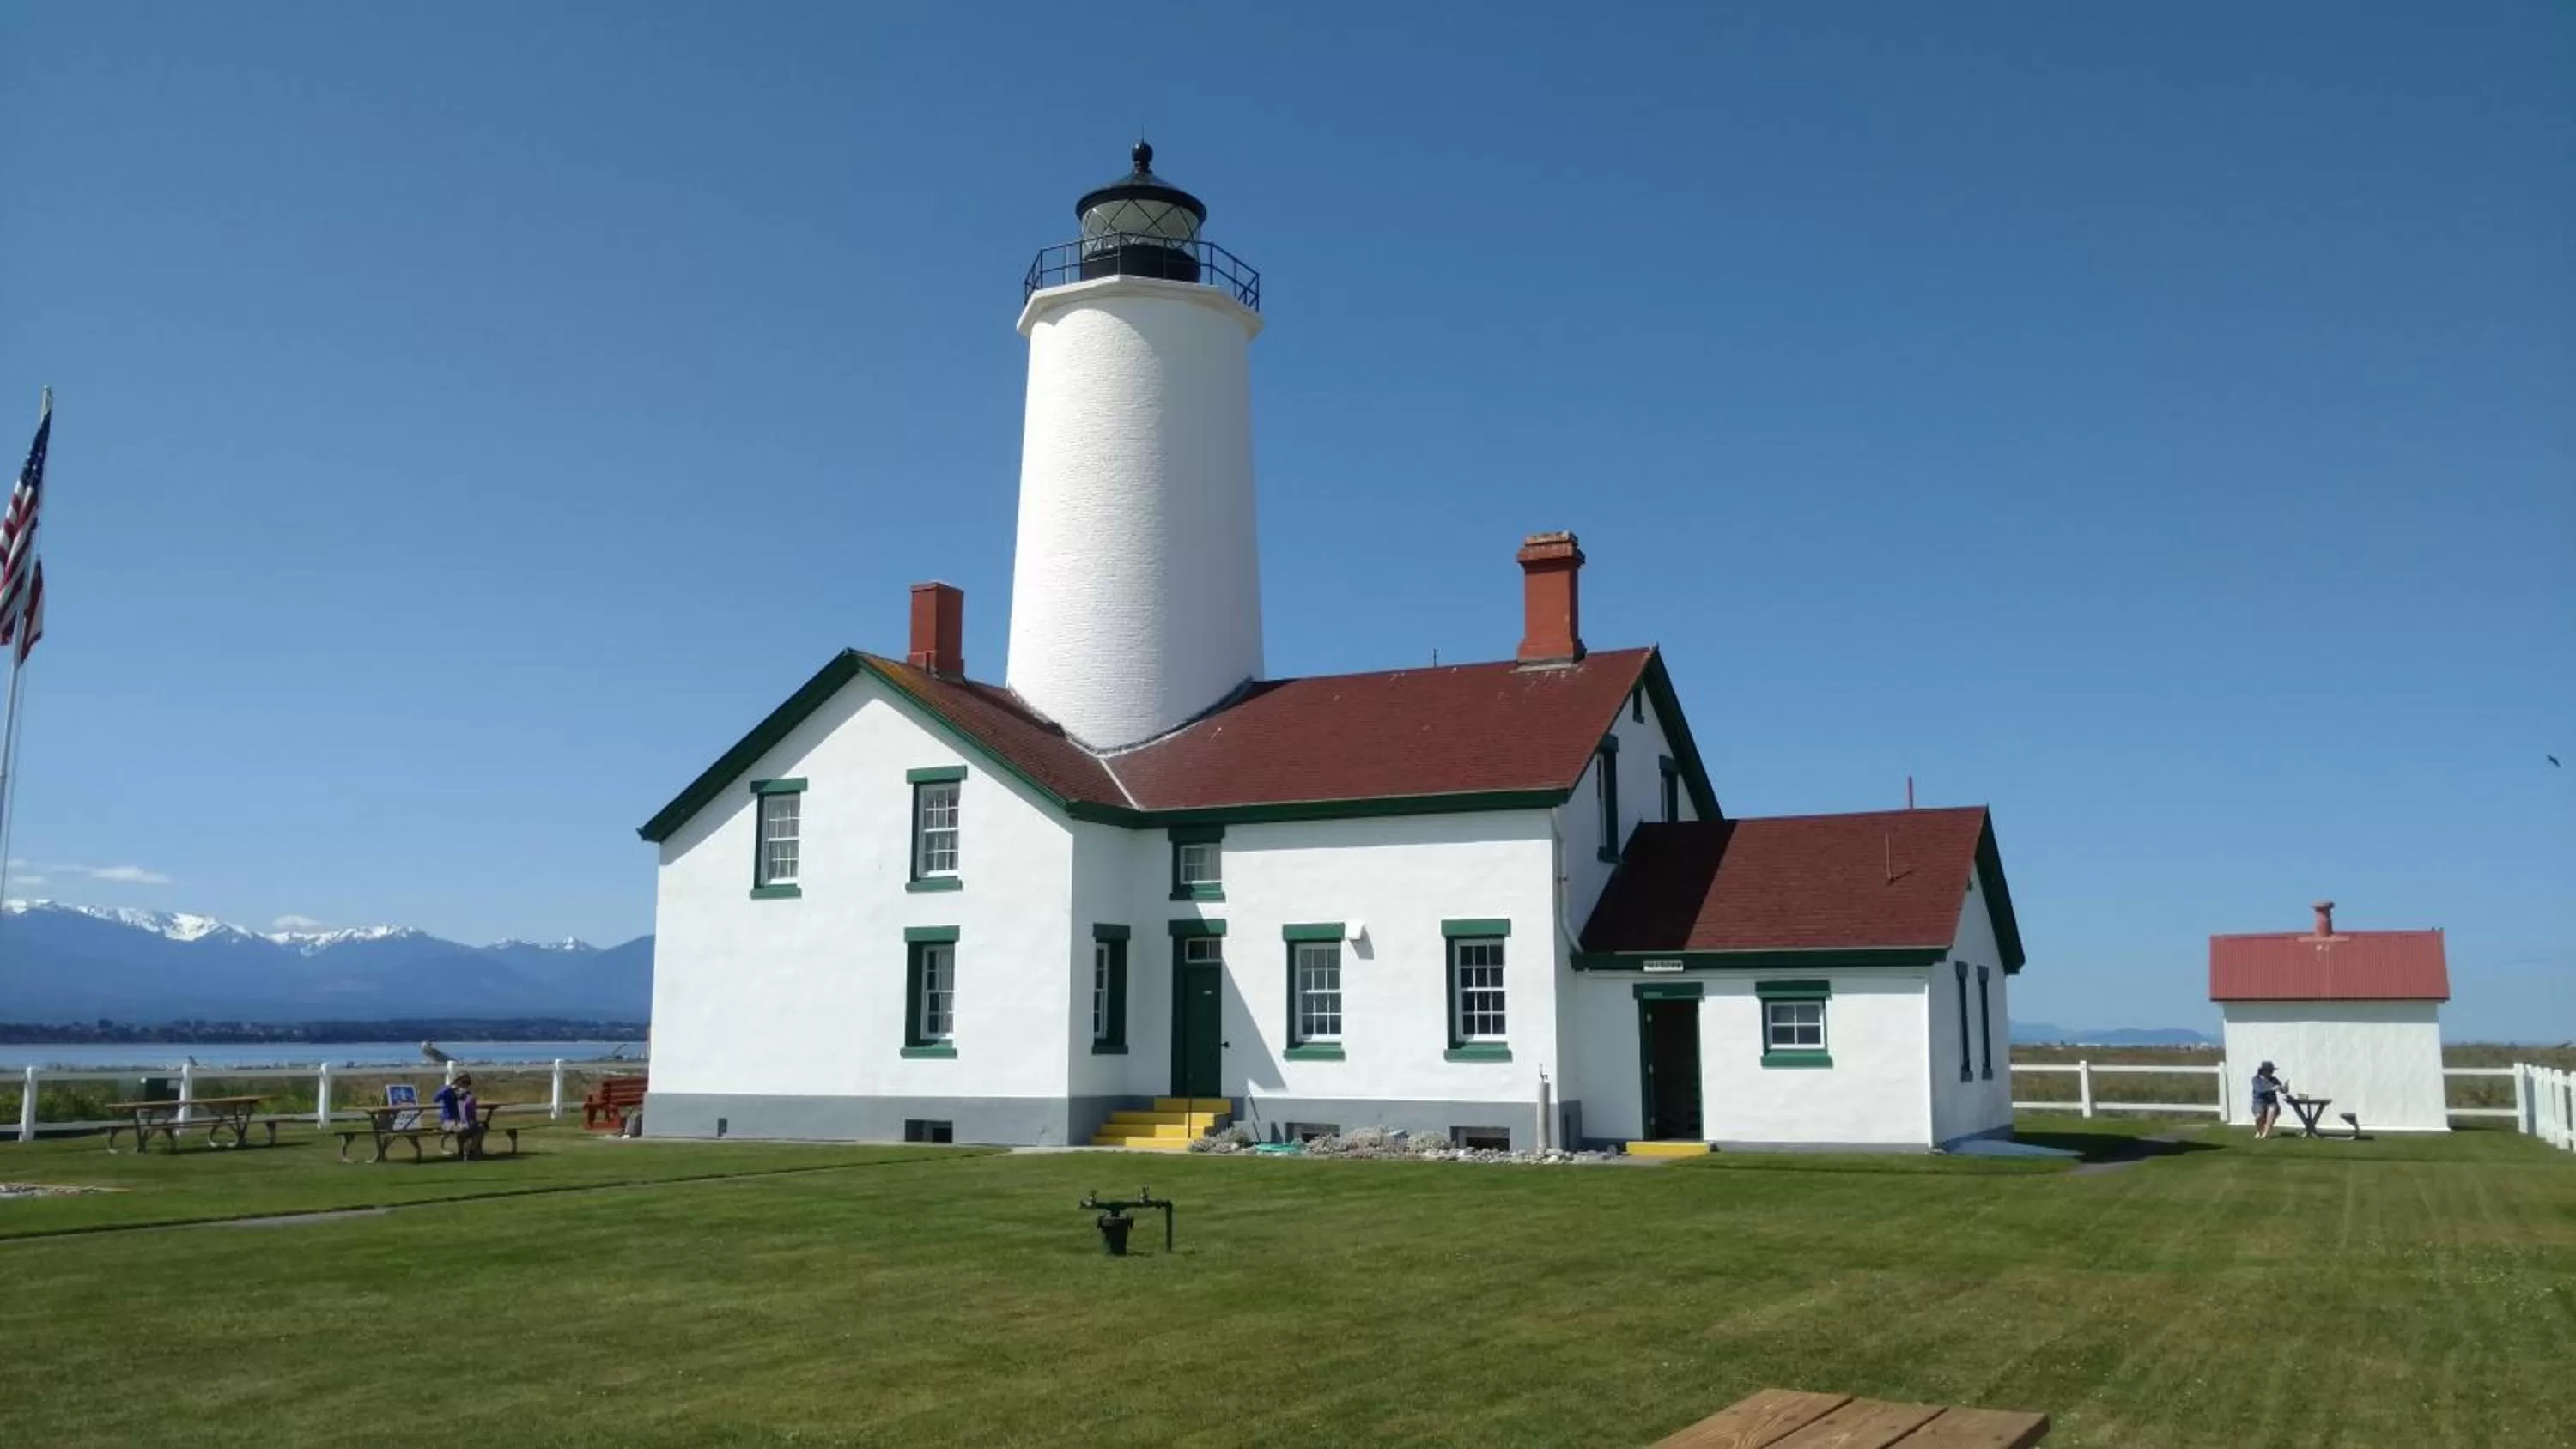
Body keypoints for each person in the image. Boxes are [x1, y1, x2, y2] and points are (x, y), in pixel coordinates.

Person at [434, 1073, 484, 1160]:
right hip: (448, 1121)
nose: (466, 1085)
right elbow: (436, 1099)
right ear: (457, 1081)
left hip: (462, 1121)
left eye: (468, 1082)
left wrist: (469, 1097)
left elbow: (469, 1106)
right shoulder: (447, 1090)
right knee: (464, 1129)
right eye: (464, 1082)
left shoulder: (465, 1093)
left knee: (481, 1129)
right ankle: (464, 1152)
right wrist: (449, 1088)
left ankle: (471, 1151)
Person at [2251, 1061, 2285, 1139]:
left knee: (2273, 1109)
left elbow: (2282, 1089)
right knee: (2258, 1117)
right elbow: (2259, 1090)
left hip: (2271, 1102)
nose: (2272, 1072)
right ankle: (2260, 1131)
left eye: (2272, 1070)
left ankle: (2265, 1133)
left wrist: (2284, 1088)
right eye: (2270, 1070)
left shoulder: (2274, 1080)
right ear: (2263, 1071)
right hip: (2259, 1102)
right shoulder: (2256, 1079)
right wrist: (2272, 1089)